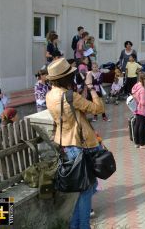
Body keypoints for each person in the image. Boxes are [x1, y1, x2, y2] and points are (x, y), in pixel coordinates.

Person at [46, 58, 104, 229]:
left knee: (84, 187)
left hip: (66, 143)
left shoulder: (50, 95)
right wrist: (92, 89)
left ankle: (75, 225)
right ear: (65, 78)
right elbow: (98, 108)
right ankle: (82, 226)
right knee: (87, 188)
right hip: (82, 144)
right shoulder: (70, 96)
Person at [131, 72, 145, 149]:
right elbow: (143, 102)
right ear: (144, 79)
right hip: (141, 110)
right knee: (142, 126)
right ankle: (142, 144)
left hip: (135, 108)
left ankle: (136, 143)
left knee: (137, 125)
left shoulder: (136, 86)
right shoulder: (142, 89)